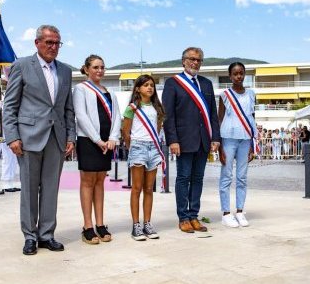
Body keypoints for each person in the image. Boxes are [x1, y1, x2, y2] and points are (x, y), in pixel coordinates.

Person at [3, 25, 76, 255]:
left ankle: (47, 234)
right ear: (37, 43)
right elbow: (10, 105)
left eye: (57, 43)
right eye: (49, 42)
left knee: (51, 189)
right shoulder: (22, 66)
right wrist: (12, 136)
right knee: (29, 189)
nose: (53, 47)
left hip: (56, 138)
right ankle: (30, 236)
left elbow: (67, 108)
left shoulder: (65, 71)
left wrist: (71, 136)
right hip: (28, 138)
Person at [162, 47, 221, 233]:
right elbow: (168, 115)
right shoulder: (173, 83)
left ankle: (194, 215)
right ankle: (183, 217)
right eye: (192, 59)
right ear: (183, 61)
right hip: (183, 141)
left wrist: (215, 138)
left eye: (199, 60)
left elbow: (212, 113)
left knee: (198, 178)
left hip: (204, 140)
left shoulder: (206, 83)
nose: (195, 63)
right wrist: (172, 140)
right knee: (183, 178)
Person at [73, 54, 121, 244]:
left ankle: (100, 224)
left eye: (102, 67)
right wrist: (97, 139)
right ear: (86, 69)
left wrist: (112, 138)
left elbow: (117, 116)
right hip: (88, 141)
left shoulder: (110, 92)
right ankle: (87, 226)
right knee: (88, 181)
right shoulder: (80, 89)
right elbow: (81, 116)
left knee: (100, 180)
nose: (99, 70)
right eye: (95, 67)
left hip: (106, 143)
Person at [122, 74, 164, 240]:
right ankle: (136, 225)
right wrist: (131, 146)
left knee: (149, 189)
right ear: (138, 88)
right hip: (138, 147)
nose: (149, 88)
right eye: (146, 85)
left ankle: (147, 223)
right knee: (137, 188)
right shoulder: (132, 107)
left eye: (152, 85)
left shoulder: (157, 108)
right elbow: (126, 131)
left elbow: (158, 128)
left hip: (153, 148)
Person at [216, 62, 256, 228]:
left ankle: (240, 211)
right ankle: (226, 213)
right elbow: (219, 119)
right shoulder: (225, 95)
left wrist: (253, 145)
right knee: (226, 176)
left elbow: (253, 118)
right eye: (235, 74)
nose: (239, 76)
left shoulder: (252, 94)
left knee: (242, 177)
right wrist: (219, 146)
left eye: (241, 73)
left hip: (246, 139)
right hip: (228, 139)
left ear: (244, 74)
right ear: (230, 76)